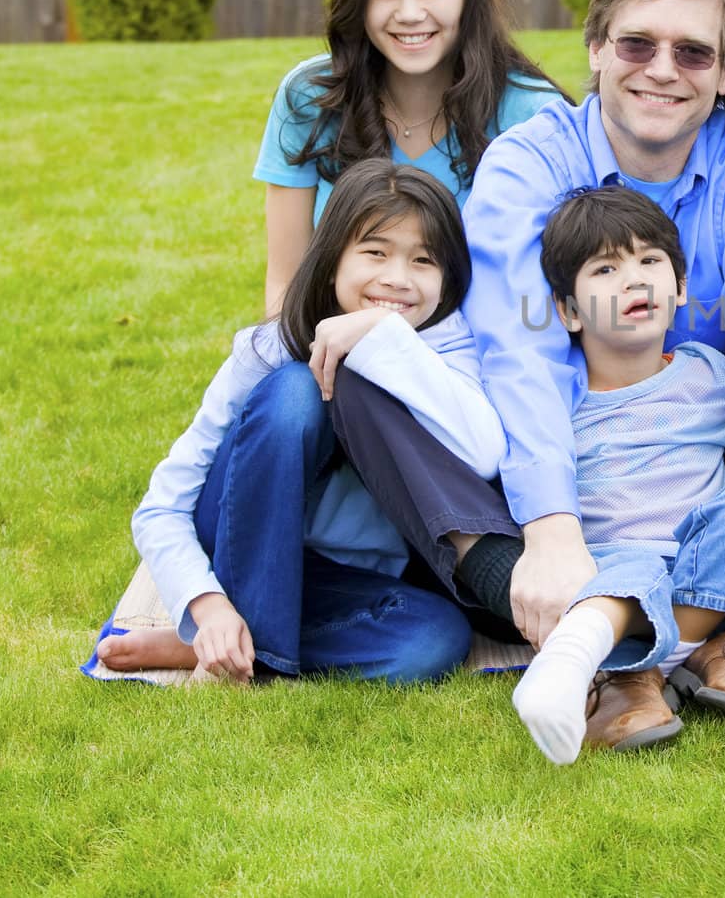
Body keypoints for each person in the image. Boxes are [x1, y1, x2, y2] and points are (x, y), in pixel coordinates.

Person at [331, 0, 725, 741]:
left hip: (700, 459)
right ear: (595, 50)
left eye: (694, 52)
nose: (663, 69)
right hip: (552, 462)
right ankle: (673, 629)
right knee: (374, 385)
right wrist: (552, 530)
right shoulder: (528, 162)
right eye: (637, 44)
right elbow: (521, 353)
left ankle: (688, 637)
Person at [93, 161, 504, 684]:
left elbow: (484, 452)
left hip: (349, 580)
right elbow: (161, 508)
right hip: (242, 542)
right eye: (375, 252)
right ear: (332, 258)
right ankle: (224, 628)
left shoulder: (447, 345)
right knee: (297, 392)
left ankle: (217, 648)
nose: (397, 278)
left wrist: (383, 332)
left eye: (423, 261)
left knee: (434, 641)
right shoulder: (269, 348)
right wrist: (207, 604)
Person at [509, 187, 725, 764]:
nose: (633, 280)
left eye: (650, 262)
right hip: (611, 568)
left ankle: (631, 672)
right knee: (633, 569)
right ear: (569, 311)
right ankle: (638, 661)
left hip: (701, 564)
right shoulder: (559, 398)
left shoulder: (713, 375)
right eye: (606, 268)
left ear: (679, 287)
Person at [254, 0, 564, 313]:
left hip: (472, 362)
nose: (409, 12)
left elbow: (541, 297)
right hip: (337, 351)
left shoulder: (534, 114)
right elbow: (287, 284)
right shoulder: (310, 97)